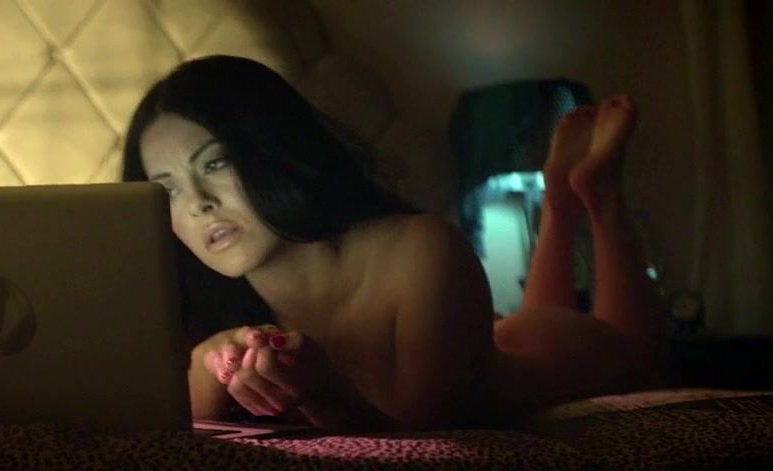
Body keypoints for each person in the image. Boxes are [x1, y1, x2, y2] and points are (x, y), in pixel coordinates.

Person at [122, 55, 668, 431]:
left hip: (558, 352)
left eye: (215, 163)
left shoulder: (420, 250)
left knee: (639, 356)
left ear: (273, 147)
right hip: (498, 337)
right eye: (167, 190)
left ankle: (596, 196)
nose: (197, 204)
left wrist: (323, 391)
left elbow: (429, 441)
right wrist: (208, 362)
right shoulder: (205, 311)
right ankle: (561, 206)